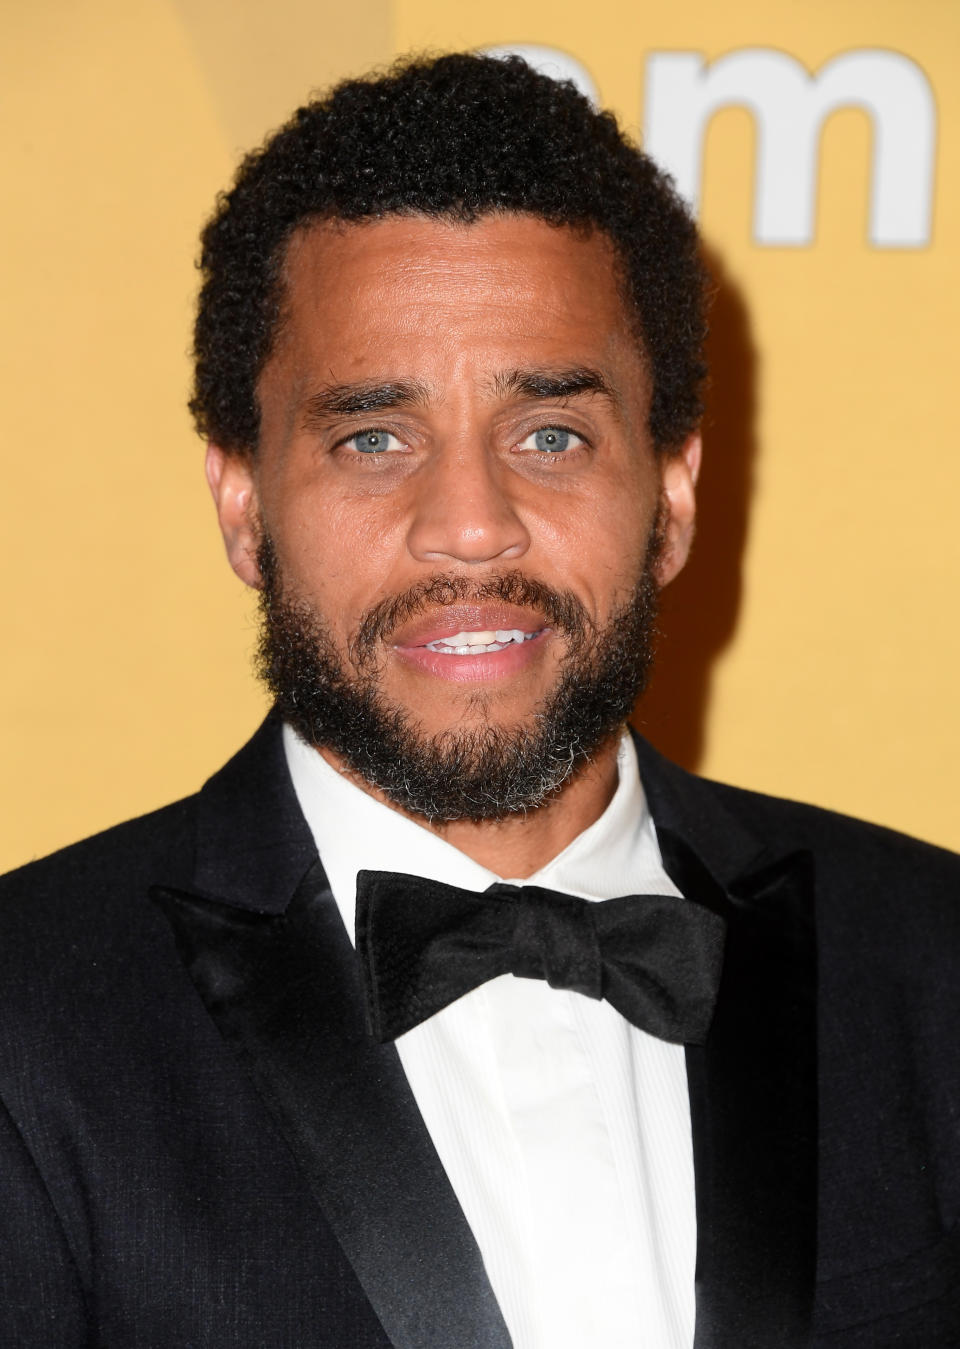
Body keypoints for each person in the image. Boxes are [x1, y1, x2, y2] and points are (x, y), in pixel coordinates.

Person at [0, 51, 957, 1349]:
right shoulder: (30, 1019)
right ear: (242, 503)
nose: (468, 526)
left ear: (672, 494)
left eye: (550, 434)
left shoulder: (927, 962)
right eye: (373, 437)